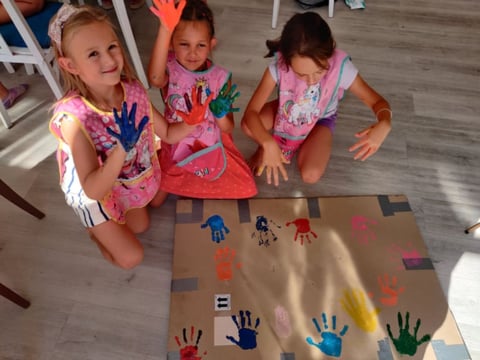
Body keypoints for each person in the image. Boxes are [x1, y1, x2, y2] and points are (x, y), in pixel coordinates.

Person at [47, 4, 207, 269]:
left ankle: (112, 222)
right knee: (131, 258)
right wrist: (122, 147)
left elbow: (166, 133)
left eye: (111, 47)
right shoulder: (74, 120)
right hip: (93, 190)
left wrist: (193, 121)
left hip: (125, 177)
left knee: (142, 224)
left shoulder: (133, 91)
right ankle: (94, 230)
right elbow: (93, 189)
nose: (109, 60)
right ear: (70, 65)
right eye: (93, 54)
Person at [241, 12, 392, 187]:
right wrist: (267, 143)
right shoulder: (277, 67)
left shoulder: (342, 68)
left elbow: (377, 102)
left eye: (320, 71)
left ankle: (295, 140)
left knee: (310, 175)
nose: (312, 81)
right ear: (287, 61)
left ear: (331, 52)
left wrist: (385, 122)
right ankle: (271, 147)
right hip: (290, 109)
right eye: (301, 75)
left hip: (321, 117)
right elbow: (250, 113)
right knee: (248, 126)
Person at [147, 0, 257, 202]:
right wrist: (165, 29)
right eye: (184, 44)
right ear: (171, 43)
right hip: (176, 144)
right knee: (155, 202)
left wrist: (220, 113)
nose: (193, 53)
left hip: (211, 145)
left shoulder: (220, 77)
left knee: (247, 189)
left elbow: (227, 128)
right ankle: (188, 180)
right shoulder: (169, 69)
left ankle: (193, 182)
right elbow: (154, 80)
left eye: (201, 45)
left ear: (211, 44)